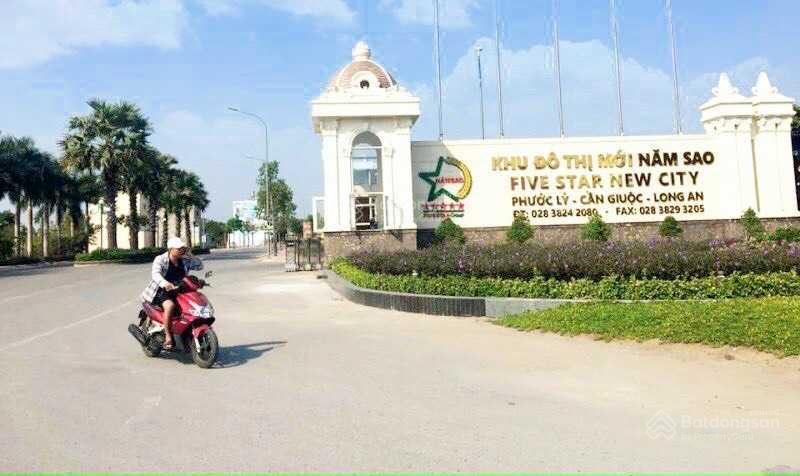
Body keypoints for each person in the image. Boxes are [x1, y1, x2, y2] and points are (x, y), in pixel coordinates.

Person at [141, 237, 204, 350]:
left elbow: (200, 266)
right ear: (171, 249)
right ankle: (168, 336)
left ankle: (184, 333)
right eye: (179, 249)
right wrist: (165, 283)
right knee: (170, 306)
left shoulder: (184, 260)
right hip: (161, 290)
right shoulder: (160, 259)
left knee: (190, 306)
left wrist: (190, 254)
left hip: (178, 290)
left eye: (183, 248)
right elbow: (155, 274)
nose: (182, 250)